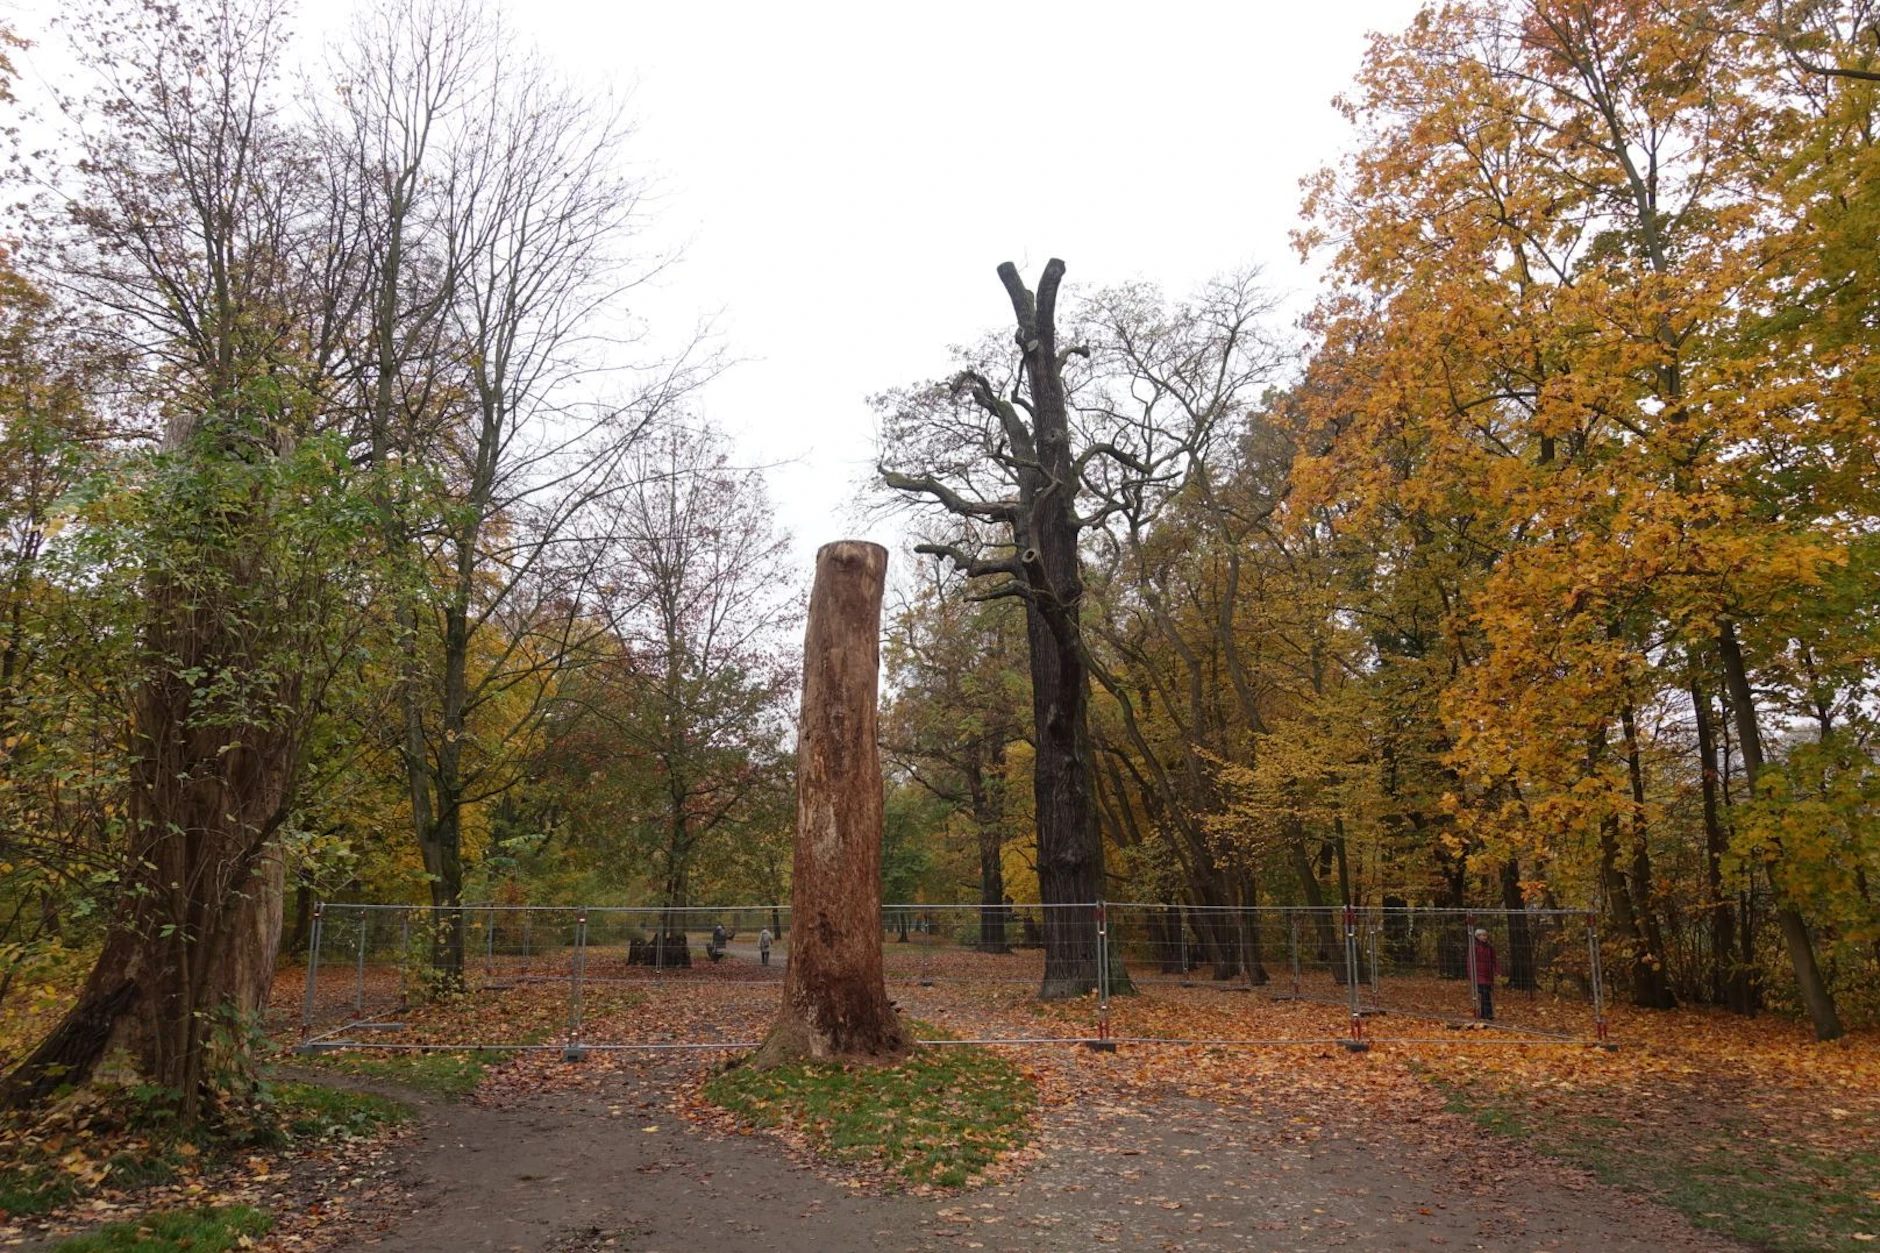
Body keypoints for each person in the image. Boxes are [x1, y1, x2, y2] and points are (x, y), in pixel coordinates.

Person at [1472, 927, 1498, 1021]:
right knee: (1484, 993)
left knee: (1486, 994)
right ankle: (1487, 1014)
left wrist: (1496, 970)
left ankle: (1485, 1013)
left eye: (1485, 935)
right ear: (1477, 937)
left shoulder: (1489, 947)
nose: (1484, 937)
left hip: (1488, 974)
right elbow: (1470, 961)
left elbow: (1493, 959)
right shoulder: (1474, 947)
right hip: (1479, 974)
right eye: (1482, 935)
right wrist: (1471, 974)